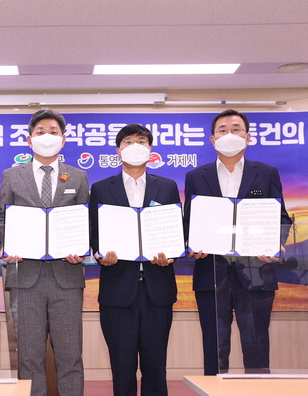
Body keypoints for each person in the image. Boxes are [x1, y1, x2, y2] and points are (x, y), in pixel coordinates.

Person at [183, 109, 292, 375]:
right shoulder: (196, 176)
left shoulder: (266, 173)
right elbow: (189, 221)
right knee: (215, 348)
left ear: (247, 137)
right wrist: (191, 244)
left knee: (256, 348)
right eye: (222, 130)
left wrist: (275, 242)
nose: (229, 134)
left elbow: (281, 217)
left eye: (236, 129)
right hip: (211, 272)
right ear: (212, 140)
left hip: (256, 272)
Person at [0, 109, 89, 396]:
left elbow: (84, 222)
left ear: (63, 139)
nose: (46, 136)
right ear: (29, 140)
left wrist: (81, 249)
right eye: (40, 132)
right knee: (29, 357)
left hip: (66, 277)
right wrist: (6, 247)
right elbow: (2, 219)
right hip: (25, 277)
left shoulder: (78, 176)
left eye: (53, 131)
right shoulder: (12, 175)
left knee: (70, 356)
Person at [89, 124, 178, 396]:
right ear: (118, 151)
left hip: (157, 289)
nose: (135, 146)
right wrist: (99, 255)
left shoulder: (167, 187)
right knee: (122, 367)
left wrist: (171, 255)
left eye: (142, 141)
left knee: (156, 367)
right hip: (118, 290)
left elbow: (175, 230)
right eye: (128, 142)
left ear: (150, 149)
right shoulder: (101, 188)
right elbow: (94, 232)